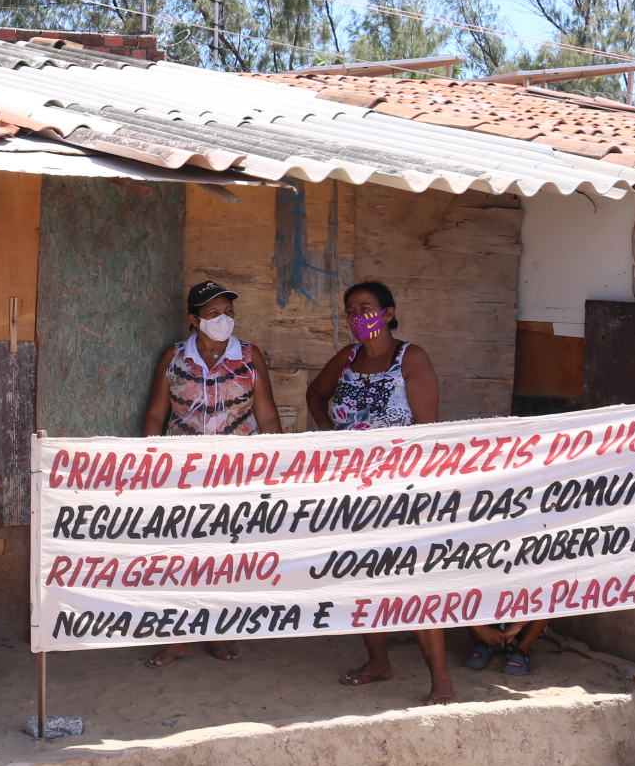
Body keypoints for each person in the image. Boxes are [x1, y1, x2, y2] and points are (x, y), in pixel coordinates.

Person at [305, 280, 450, 704]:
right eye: (351, 309)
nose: (356, 316)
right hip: (350, 489)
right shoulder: (347, 359)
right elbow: (316, 393)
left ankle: (440, 679)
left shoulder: (410, 358)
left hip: (401, 490)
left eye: (365, 307)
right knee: (361, 577)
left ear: (387, 314)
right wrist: (331, 435)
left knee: (416, 581)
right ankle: (378, 661)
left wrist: (415, 489)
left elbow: (428, 432)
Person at [140, 281, 283, 667]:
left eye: (229, 311)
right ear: (193, 319)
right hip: (182, 473)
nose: (224, 319)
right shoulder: (174, 356)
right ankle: (178, 637)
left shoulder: (250, 357)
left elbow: (266, 413)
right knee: (182, 553)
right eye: (213, 313)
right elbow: (156, 412)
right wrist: (151, 462)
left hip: (238, 474)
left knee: (227, 554)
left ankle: (219, 632)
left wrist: (281, 463)